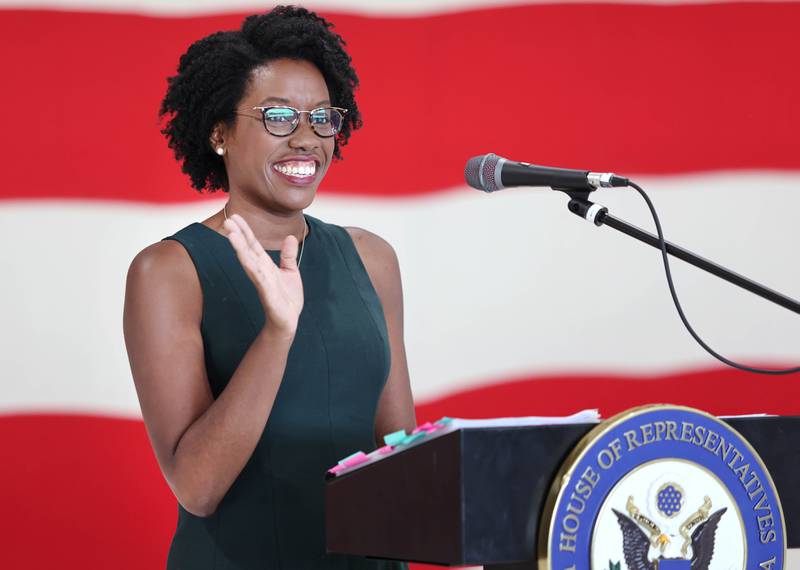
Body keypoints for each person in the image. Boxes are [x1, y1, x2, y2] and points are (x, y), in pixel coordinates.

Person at [123, 6, 416, 569]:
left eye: (322, 117)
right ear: (219, 131)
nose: (306, 139)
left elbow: (395, 450)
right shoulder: (168, 272)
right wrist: (277, 334)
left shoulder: (370, 258)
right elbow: (197, 486)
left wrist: (458, 529)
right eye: (278, 116)